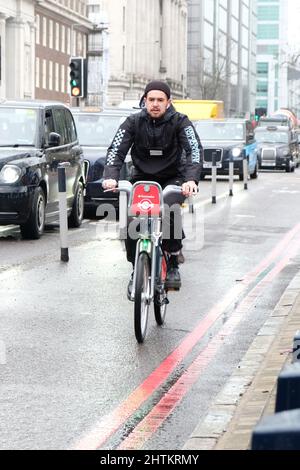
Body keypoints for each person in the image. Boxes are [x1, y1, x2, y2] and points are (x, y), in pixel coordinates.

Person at [102, 80, 203, 297]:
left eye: (160, 100)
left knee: (171, 210)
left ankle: (174, 259)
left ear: (168, 102)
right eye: (151, 100)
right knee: (131, 221)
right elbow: (116, 151)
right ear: (145, 101)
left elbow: (194, 151)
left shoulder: (180, 121)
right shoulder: (133, 121)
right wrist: (111, 177)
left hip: (172, 178)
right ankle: (136, 270)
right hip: (142, 178)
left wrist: (191, 180)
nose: (155, 104)